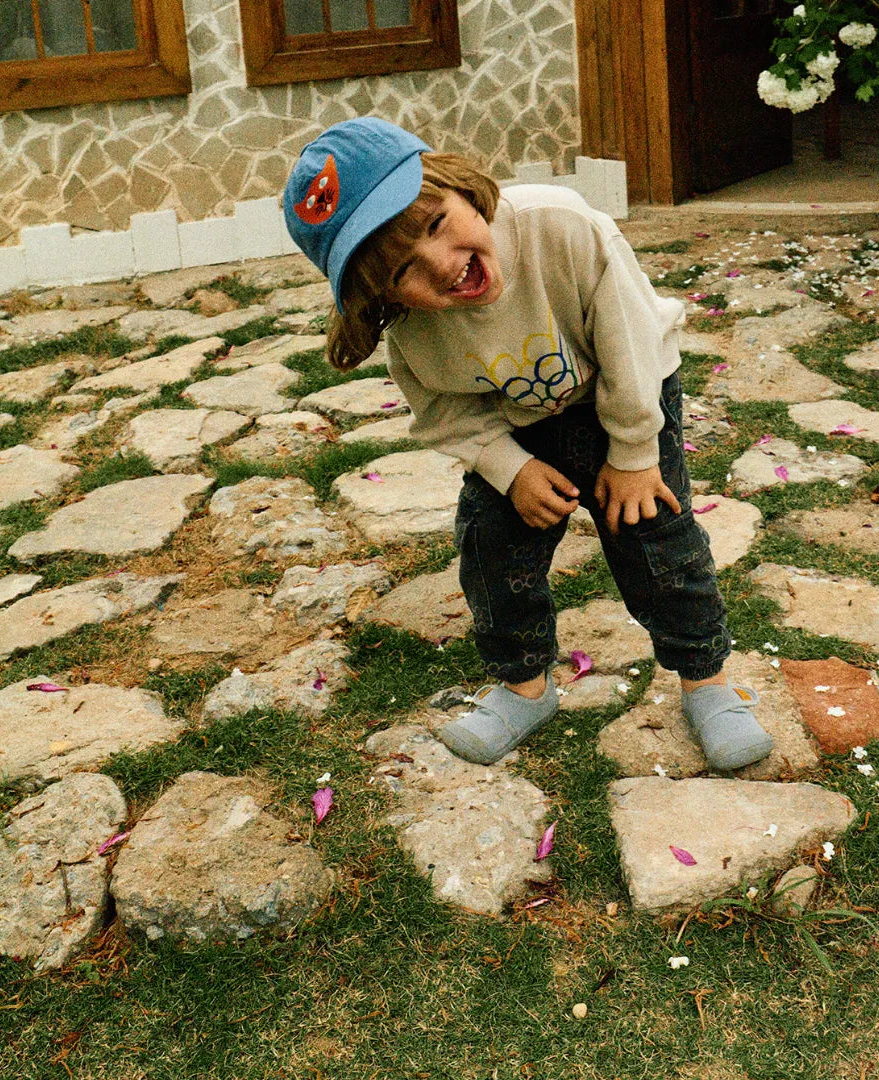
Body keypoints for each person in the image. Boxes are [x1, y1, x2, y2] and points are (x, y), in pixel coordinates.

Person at [283, 117, 773, 771]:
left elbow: (631, 344)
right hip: (518, 424)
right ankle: (523, 687)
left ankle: (706, 682)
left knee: (656, 537)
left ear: (459, 185)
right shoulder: (414, 333)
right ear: (378, 297)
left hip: (623, 393)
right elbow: (445, 414)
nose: (443, 264)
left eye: (435, 225)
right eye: (405, 270)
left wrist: (631, 455)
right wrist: (509, 470)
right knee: (490, 546)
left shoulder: (560, 224)